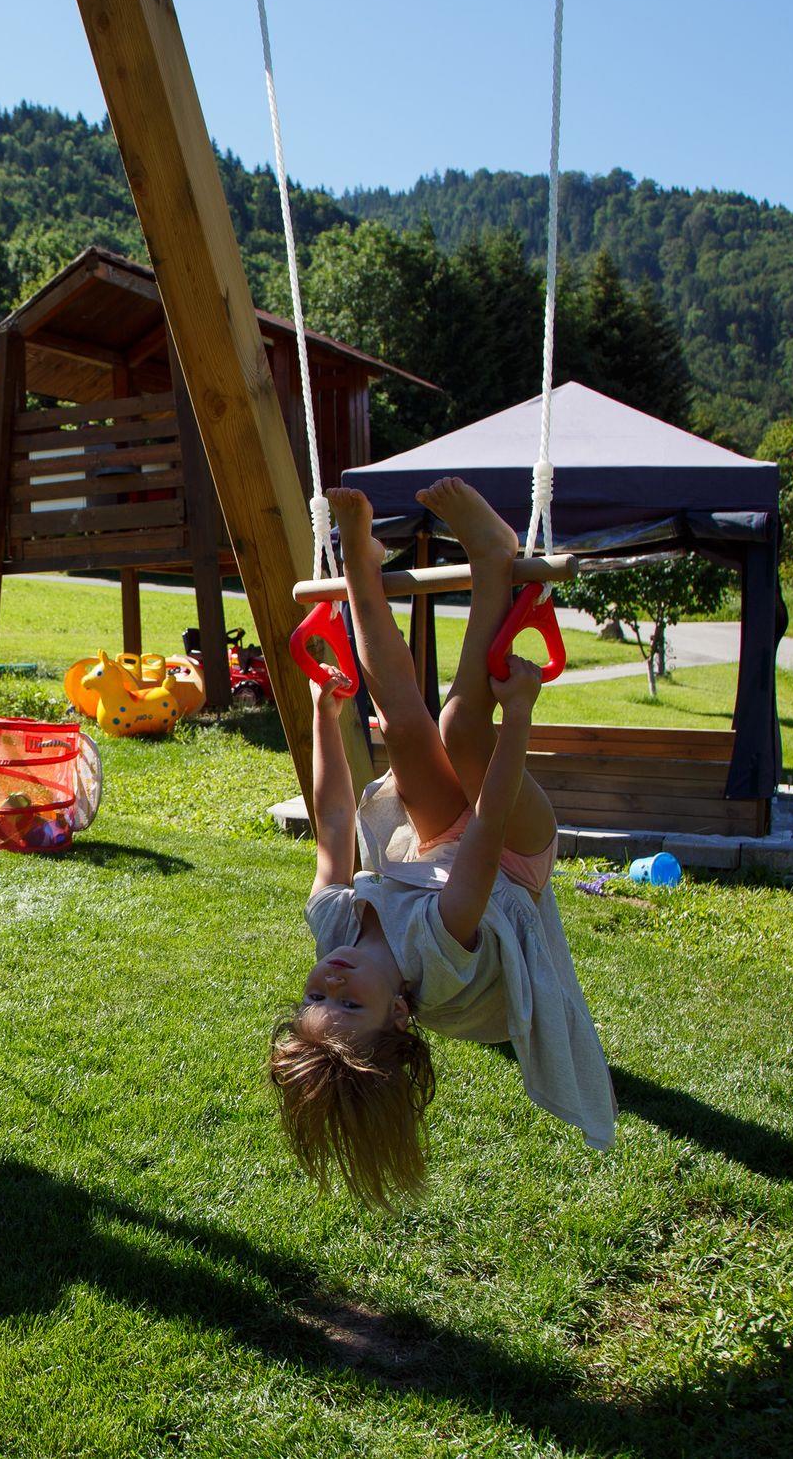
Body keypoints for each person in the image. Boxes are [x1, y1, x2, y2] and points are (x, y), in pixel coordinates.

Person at [269, 477, 614, 1210]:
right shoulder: (437, 958)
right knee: (462, 730)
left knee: (396, 719)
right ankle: (492, 559)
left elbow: (334, 821)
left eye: (314, 994)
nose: (331, 979)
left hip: (434, 845)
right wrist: (518, 719)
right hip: (510, 857)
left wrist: (324, 715)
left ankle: (360, 560)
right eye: (347, 1005)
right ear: (398, 1015)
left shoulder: (333, 929)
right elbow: (487, 827)